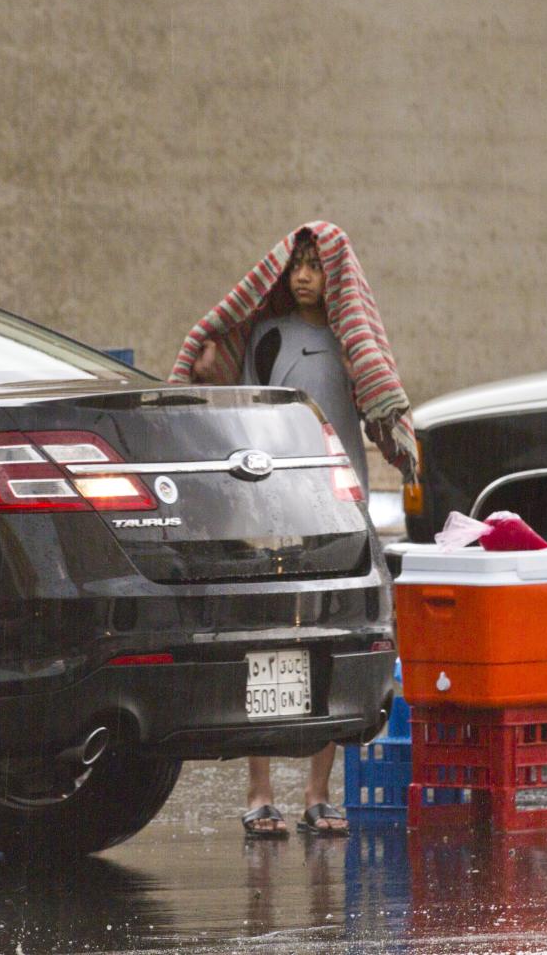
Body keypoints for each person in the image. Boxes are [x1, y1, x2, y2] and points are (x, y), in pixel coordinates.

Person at [170, 221, 417, 837]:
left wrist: (385, 414)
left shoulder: (354, 344)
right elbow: (239, 405)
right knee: (266, 637)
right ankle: (259, 792)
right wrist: (206, 371)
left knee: (331, 642)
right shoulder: (268, 334)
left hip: (339, 506)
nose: (304, 277)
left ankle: (318, 794)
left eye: (315, 266)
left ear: (336, 277)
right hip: (271, 507)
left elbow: (380, 401)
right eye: (296, 266)